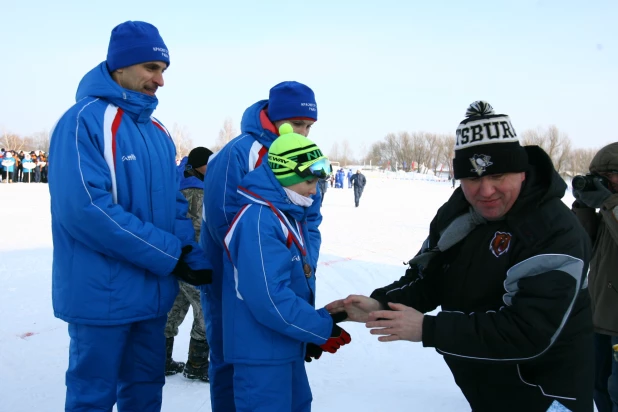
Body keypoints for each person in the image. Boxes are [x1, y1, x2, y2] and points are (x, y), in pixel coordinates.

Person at [327, 101, 594, 412]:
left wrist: (429, 329)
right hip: (487, 386)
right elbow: (430, 279)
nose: (485, 190)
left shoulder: (554, 230)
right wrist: (380, 304)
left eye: (498, 175)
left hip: (545, 393)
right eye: (473, 178)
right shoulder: (458, 214)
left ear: (522, 171)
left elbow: (528, 330)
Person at [48, 21, 212, 412]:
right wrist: (170, 254)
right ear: (119, 65)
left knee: (144, 391)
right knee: (93, 396)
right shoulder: (83, 121)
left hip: (152, 296)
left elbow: (174, 205)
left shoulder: (157, 131)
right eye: (151, 68)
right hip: (102, 295)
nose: (159, 80)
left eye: (163, 70)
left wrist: (190, 252)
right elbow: (85, 209)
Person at [201, 81, 323, 411]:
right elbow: (223, 225)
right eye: (298, 124)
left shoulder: (300, 153)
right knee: (235, 360)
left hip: (280, 280)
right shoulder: (237, 153)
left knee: (282, 356)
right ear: (275, 118)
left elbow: (310, 219)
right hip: (233, 285)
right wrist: (265, 274)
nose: (304, 132)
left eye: (309, 126)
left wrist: (301, 263)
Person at [222, 124, 350, 411]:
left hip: (283, 343)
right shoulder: (259, 220)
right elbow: (269, 297)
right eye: (309, 182)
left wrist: (306, 335)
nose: (314, 191)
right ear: (286, 176)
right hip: (261, 355)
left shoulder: (288, 213)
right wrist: (319, 328)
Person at [572, 142, 618, 412]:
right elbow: (580, 249)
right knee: (597, 384)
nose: (603, 182)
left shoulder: (612, 207)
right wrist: (584, 207)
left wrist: (608, 203)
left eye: (609, 174)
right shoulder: (607, 209)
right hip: (600, 318)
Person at [165, 147, 214, 382]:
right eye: (208, 163)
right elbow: (196, 229)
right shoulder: (195, 190)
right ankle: (197, 365)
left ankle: (160, 361)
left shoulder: (181, 179)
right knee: (205, 310)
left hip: (176, 258)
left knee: (174, 308)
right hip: (192, 259)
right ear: (198, 165)